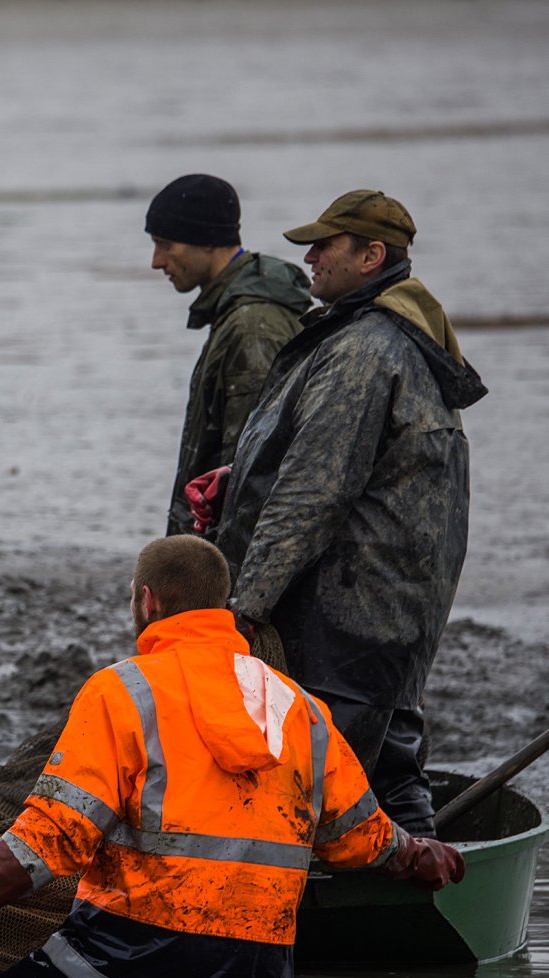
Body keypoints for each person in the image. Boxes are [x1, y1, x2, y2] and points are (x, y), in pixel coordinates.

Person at [0, 536, 464, 978]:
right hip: (259, 973)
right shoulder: (300, 709)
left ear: (147, 601)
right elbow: (359, 835)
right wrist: (419, 854)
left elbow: (51, 839)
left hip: (124, 961)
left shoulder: (121, 692)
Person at [189, 190, 487, 837]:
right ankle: (429, 872)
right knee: (389, 766)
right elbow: (355, 461)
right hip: (388, 609)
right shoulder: (385, 335)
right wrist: (241, 478)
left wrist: (245, 609)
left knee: (338, 782)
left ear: (371, 255)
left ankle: (403, 881)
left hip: (349, 614)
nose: (310, 259)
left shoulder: (364, 350)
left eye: (325, 246)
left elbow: (313, 493)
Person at [145, 174, 312, 536]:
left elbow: (251, 474)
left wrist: (217, 562)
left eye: (165, 244)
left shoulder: (252, 328)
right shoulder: (235, 314)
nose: (156, 261)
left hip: (227, 552)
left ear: (206, 240)